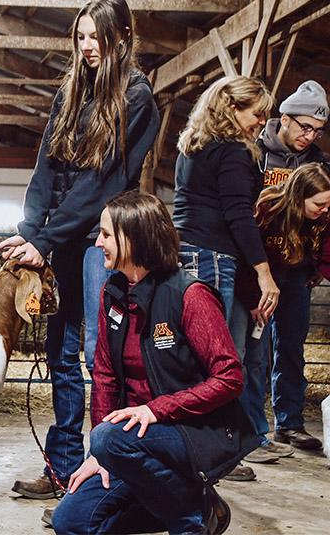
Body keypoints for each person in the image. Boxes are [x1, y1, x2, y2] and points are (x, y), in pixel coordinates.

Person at [0, 0, 160, 499]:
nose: (88, 47)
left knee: (98, 354)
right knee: (61, 353)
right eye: (82, 36)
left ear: (122, 39)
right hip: (61, 237)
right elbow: (47, 163)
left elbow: (101, 181)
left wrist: (48, 237)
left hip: (97, 237)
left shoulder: (136, 98)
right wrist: (30, 229)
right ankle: (63, 467)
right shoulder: (69, 92)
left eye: (98, 37)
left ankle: (105, 470)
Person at [51, 190, 257, 535]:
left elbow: (229, 378)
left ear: (133, 237)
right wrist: (98, 454)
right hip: (132, 440)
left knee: (110, 441)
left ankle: (189, 521)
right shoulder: (112, 292)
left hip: (192, 430)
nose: (98, 243)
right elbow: (104, 376)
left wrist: (157, 409)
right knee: (70, 522)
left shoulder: (190, 295)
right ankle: (197, 505)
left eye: (105, 234)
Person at [172, 75, 278, 481]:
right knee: (220, 357)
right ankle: (210, 450)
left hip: (187, 250)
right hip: (214, 256)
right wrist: (264, 273)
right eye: (257, 114)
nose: (260, 123)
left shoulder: (192, 146)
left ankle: (201, 445)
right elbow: (238, 216)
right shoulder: (234, 152)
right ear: (232, 109)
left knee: (196, 352)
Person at [240, 82, 329, 457]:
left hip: (296, 271)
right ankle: (251, 428)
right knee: (255, 348)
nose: (310, 136)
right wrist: (253, 272)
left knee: (291, 345)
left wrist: (316, 266)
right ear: (285, 119)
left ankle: (289, 423)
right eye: (305, 127)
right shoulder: (256, 154)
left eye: (318, 131)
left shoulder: (319, 162)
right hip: (260, 269)